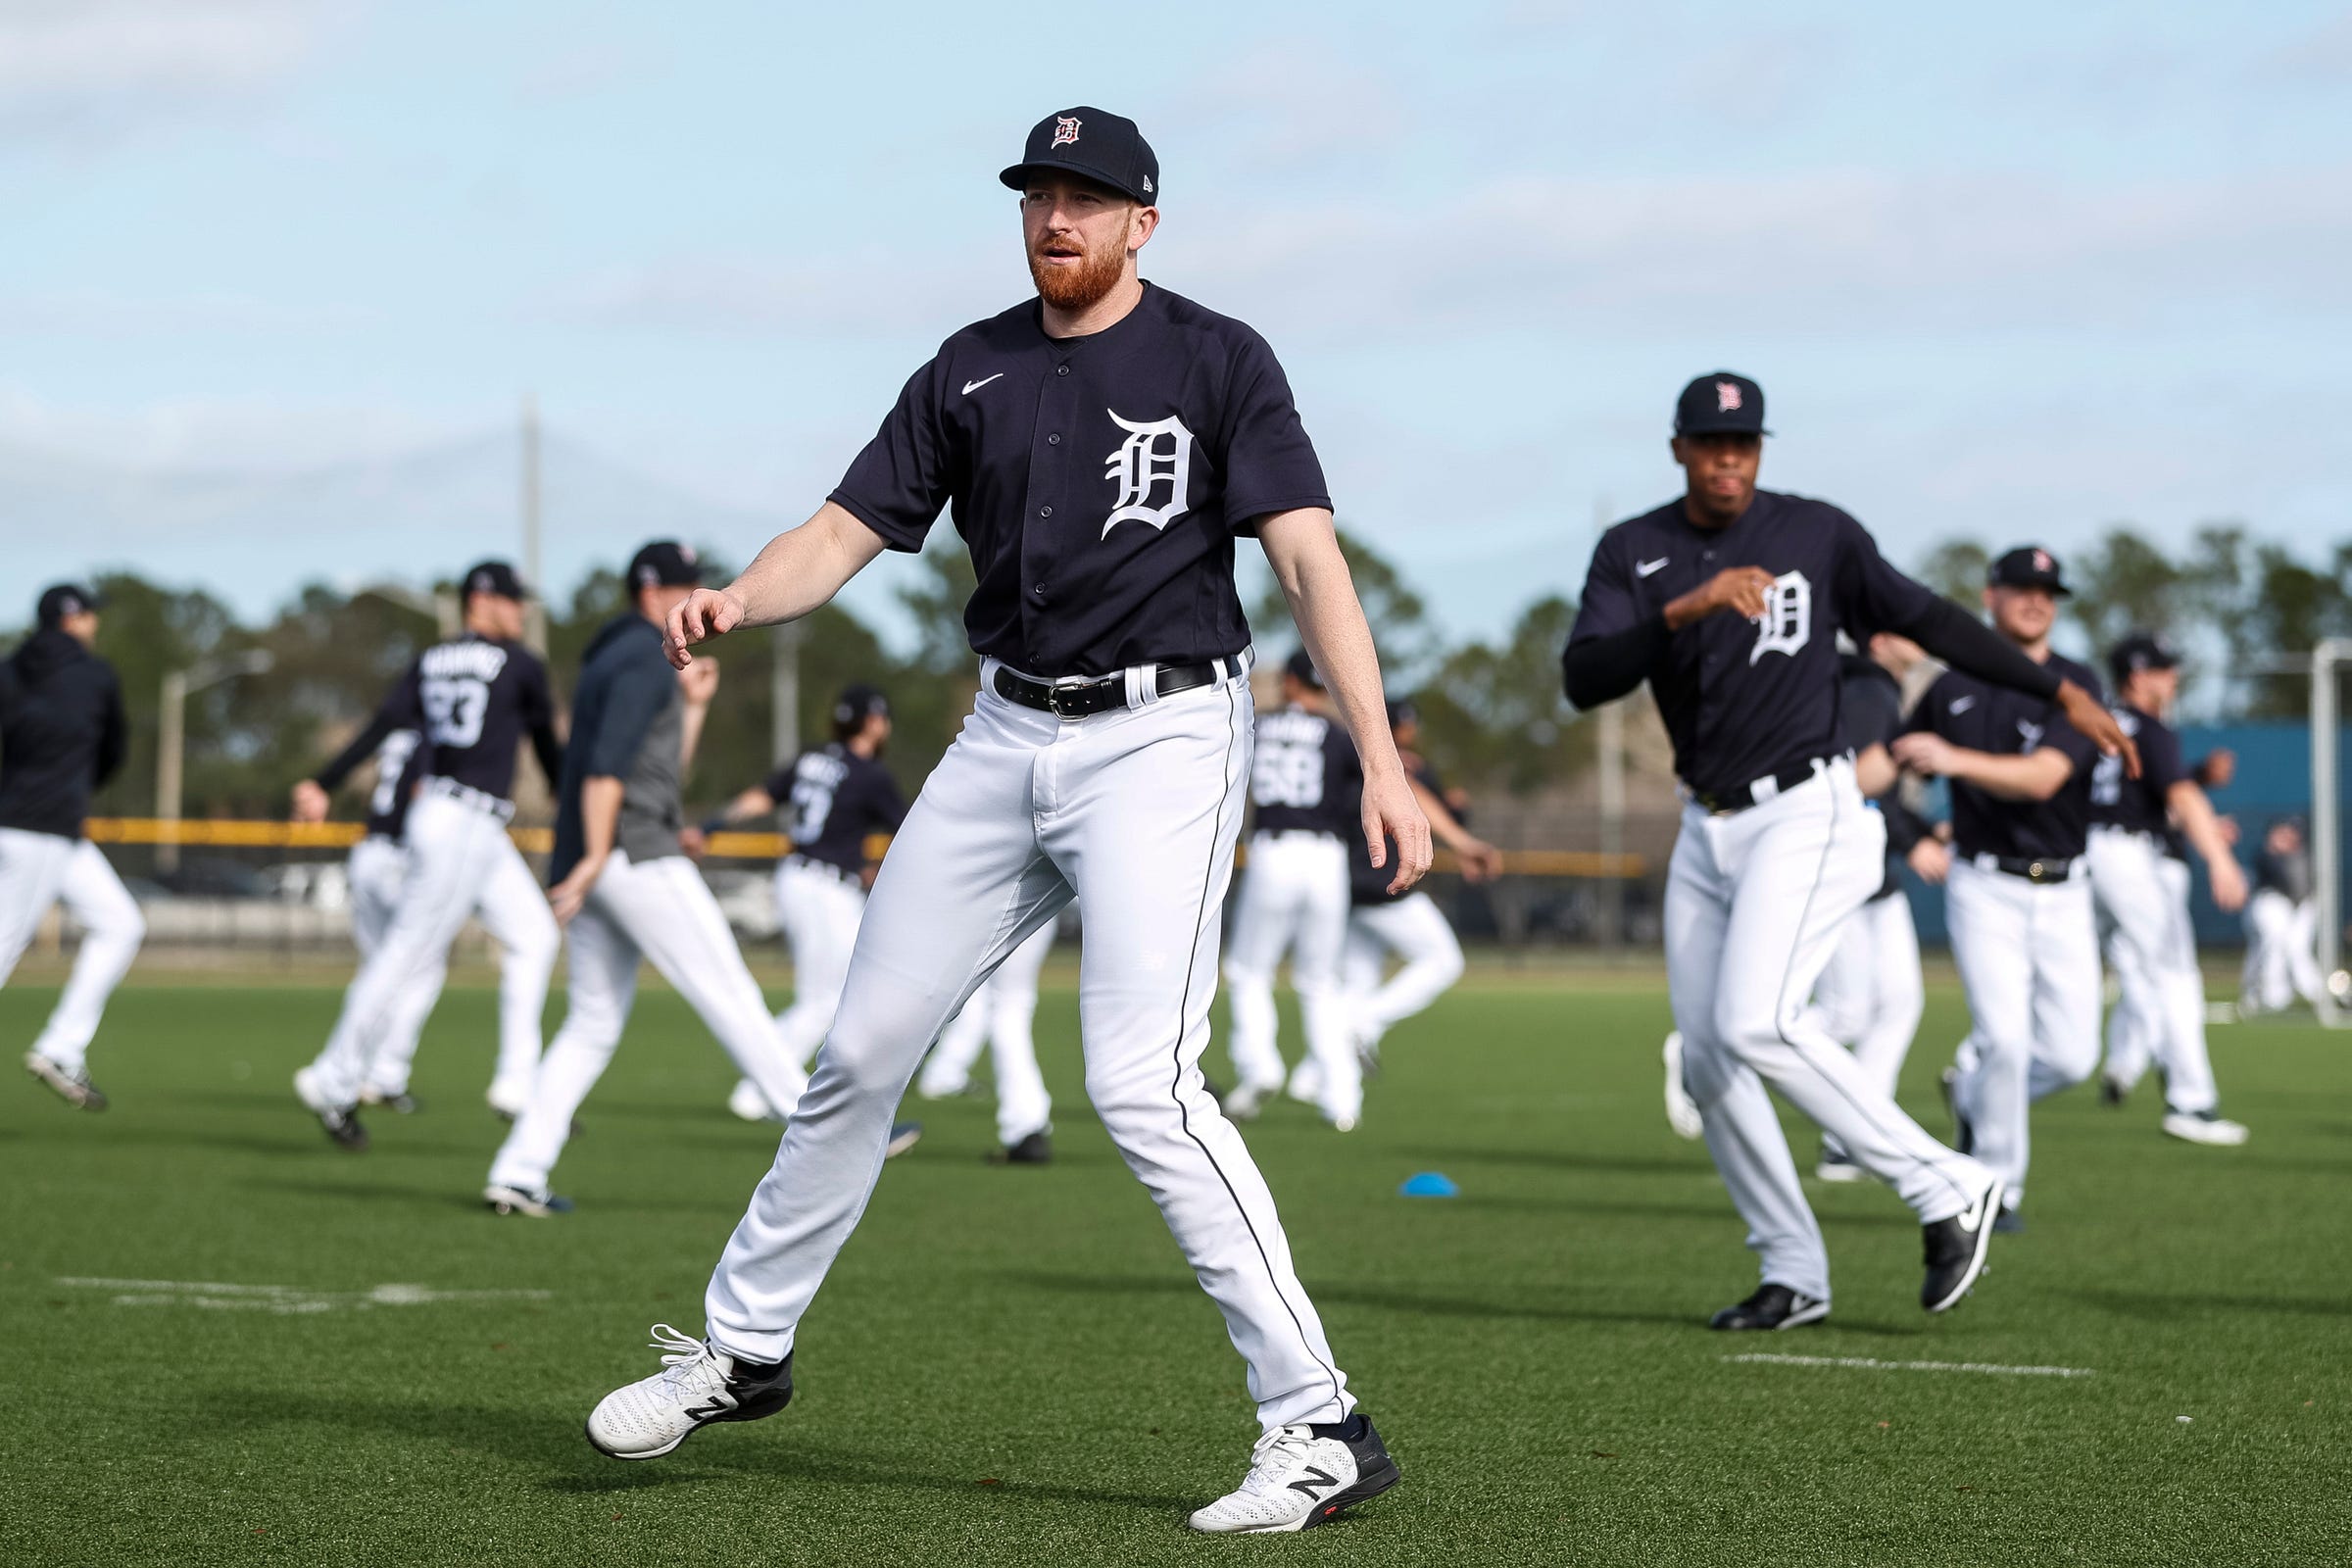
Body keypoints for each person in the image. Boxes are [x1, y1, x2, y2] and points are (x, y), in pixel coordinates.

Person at [582, 108, 1421, 1535]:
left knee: (1143, 1085)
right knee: (857, 1049)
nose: (1057, 217)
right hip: (1003, 731)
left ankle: (1320, 1425)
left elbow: (1304, 561)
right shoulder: (968, 366)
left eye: (1088, 198)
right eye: (1040, 193)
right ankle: (744, 1349)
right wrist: (740, 595)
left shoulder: (1220, 358)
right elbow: (838, 534)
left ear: (1143, 223)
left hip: (1164, 733)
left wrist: (1381, 760)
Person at [1565, 375, 2131, 1331]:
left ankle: (1949, 1183)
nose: (1729, 458)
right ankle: (1794, 1269)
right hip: (1706, 825)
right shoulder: (1634, 549)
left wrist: (2056, 689)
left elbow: (1931, 618)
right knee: (1706, 1060)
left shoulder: (1816, 533)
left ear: (1761, 449)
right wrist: (1684, 609)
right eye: (1711, 442)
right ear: (1678, 449)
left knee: (1755, 1023)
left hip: (1806, 808)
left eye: (1745, 442)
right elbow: (1584, 678)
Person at [486, 543, 884, 1215]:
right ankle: (825, 1132)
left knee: (592, 1023)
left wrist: (693, 707)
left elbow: (657, 775)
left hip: (597, 855)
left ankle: (519, 1170)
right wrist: (597, 854)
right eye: (683, 587)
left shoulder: (613, 656)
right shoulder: (644, 654)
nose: (696, 598)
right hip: (633, 853)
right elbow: (606, 769)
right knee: (728, 990)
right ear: (651, 594)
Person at [290, 562, 563, 1150]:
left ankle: (517, 1082)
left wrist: (324, 781)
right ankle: (332, 1074)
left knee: (535, 936)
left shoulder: (432, 659)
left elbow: (383, 724)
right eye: (512, 600)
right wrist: (570, 799)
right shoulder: (518, 663)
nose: (520, 610)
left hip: (461, 820)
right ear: (480, 602)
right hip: (463, 819)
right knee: (409, 952)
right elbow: (546, 745)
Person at [1892, 547, 2106, 1232]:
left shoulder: (2076, 683)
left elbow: (2044, 778)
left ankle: (1971, 1094)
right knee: (2005, 1040)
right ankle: (1995, 1186)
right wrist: (1911, 833)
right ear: (1991, 596)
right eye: (2021, 588)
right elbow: (1888, 768)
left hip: (2066, 888)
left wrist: (1953, 760)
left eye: (2048, 591)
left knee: (2072, 1056)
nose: (2037, 600)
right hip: (1983, 884)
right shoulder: (1950, 685)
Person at [704, 683, 907, 1122]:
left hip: (801, 878)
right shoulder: (870, 775)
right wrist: (878, 868)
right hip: (824, 888)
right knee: (824, 1002)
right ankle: (759, 1089)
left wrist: (712, 824)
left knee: (844, 995)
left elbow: (760, 797)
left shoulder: (811, 759)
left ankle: (790, 1085)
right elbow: (908, 831)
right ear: (874, 723)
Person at [2085, 632, 2250, 1144]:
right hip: (2127, 856)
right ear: (2138, 676)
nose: (2173, 678)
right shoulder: (2150, 728)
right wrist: (2220, 858)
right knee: (2175, 974)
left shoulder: (2094, 720)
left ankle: (1972, 1071)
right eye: (2163, 669)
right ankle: (2190, 1101)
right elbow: (2179, 795)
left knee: (2075, 976)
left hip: (2081, 852)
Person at [2, 584, 143, 1109]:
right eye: (89, 615)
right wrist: (77, 786)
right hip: (41, 829)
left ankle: (61, 1047)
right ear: (73, 620)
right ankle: (61, 1046)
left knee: (120, 923)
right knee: (4, 946)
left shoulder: (10, 669)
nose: (94, 623)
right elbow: (114, 750)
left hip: (39, 825)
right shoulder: (94, 675)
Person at [1808, 632, 1935, 1182]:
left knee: (1900, 1003)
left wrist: (1921, 831)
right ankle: (1711, 1050)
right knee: (1845, 1013)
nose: (1917, 631)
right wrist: (1913, 838)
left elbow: (1880, 794)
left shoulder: (1878, 687)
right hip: (1841, 874)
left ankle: (1851, 1136)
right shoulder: (1865, 687)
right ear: (1879, 640)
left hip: (1876, 878)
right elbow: (1856, 784)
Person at [1220, 651, 1363, 1128]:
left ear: (1288, 682)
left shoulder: (1256, 725)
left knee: (1249, 970)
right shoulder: (1337, 736)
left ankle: (1259, 1065)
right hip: (1327, 857)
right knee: (1321, 980)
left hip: (1274, 851)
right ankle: (1342, 1098)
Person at [1323, 698, 1501, 1083]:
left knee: (1357, 982)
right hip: (1379, 882)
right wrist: (1463, 842)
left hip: (1345, 880)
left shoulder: (1336, 750)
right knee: (1443, 961)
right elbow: (1414, 794)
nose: (1409, 732)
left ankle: (1318, 1079)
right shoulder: (1375, 759)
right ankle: (1364, 1023)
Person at [341, 726, 440, 1113]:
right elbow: (421, 792)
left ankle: (348, 1070)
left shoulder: (396, 734)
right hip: (401, 860)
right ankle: (384, 1075)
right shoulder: (436, 732)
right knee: (423, 969)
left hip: (367, 852)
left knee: (376, 968)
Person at [914, 914, 1060, 1162]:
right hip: (1045, 906)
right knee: (1011, 1007)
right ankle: (1026, 1125)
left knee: (1001, 1007)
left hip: (995, 906)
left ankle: (1025, 1126)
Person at [2240, 817, 2324, 1014]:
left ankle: (2302, 992)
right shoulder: (2265, 855)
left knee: (2292, 948)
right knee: (2269, 947)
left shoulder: (2304, 855)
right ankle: (2266, 994)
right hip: (2268, 905)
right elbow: (2279, 878)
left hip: (2295, 908)